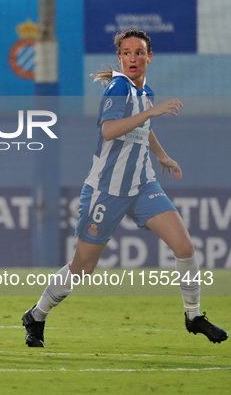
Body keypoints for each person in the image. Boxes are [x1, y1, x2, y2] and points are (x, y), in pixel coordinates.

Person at [22, 29, 228, 347]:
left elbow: (143, 127)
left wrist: (161, 155)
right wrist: (151, 112)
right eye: (127, 53)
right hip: (106, 190)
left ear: (149, 57)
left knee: (184, 247)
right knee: (82, 267)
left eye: (139, 52)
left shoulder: (144, 91)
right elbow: (108, 131)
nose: (133, 58)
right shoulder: (119, 87)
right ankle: (36, 315)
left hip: (142, 185)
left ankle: (193, 316)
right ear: (120, 58)